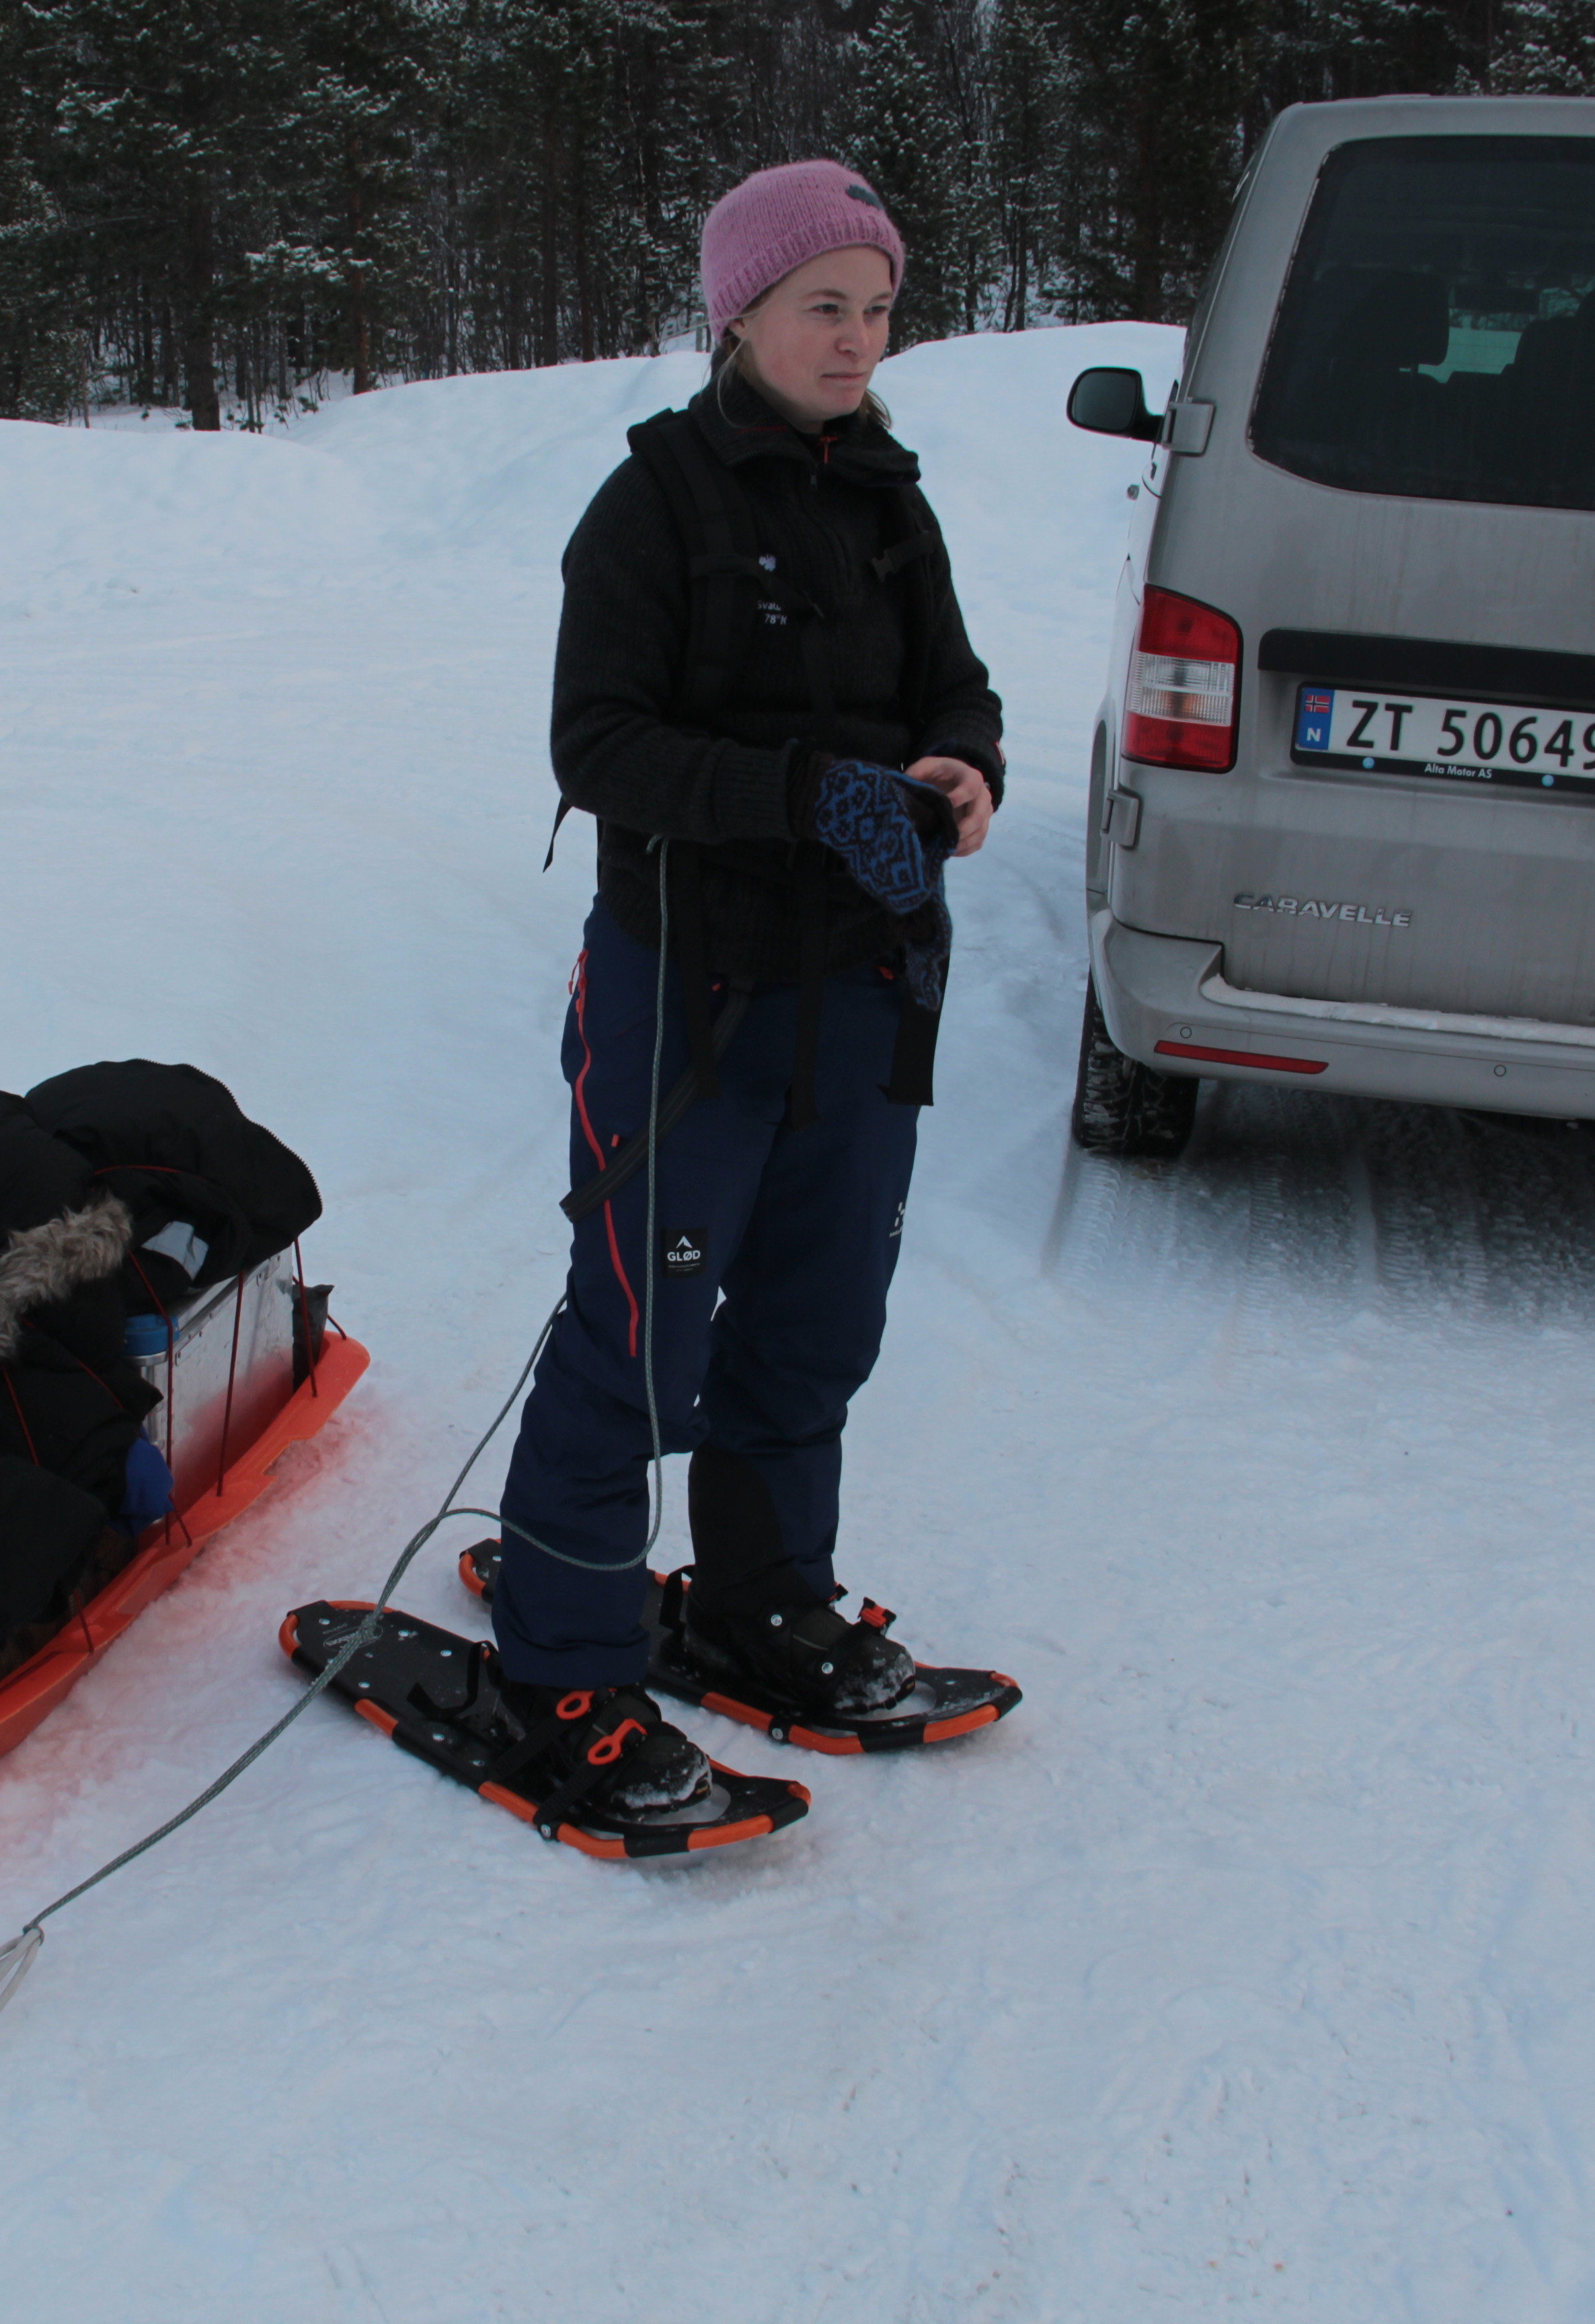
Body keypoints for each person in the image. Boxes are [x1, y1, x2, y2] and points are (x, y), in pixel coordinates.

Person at [483, 159, 1005, 1821]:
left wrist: (964, 771)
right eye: (821, 309)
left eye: (876, 310)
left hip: (857, 983)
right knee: (642, 1335)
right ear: (742, 316)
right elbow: (599, 745)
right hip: (688, 999)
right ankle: (569, 1667)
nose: (855, 342)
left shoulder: (891, 503)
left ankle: (767, 1601)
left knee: (815, 1314)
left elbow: (959, 689)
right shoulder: (653, 507)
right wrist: (802, 795)